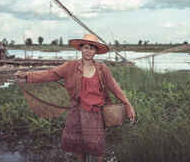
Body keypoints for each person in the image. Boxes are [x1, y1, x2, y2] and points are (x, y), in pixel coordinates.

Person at [15, 34, 135, 162]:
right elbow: (50, 74)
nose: (88, 51)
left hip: (96, 115)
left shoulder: (102, 69)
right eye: (86, 47)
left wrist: (129, 108)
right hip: (76, 113)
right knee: (79, 151)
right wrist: (27, 76)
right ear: (81, 49)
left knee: (98, 152)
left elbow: (116, 89)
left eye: (92, 48)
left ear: (95, 52)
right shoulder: (70, 66)